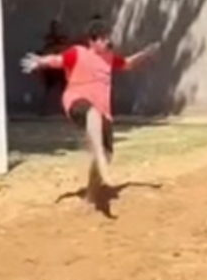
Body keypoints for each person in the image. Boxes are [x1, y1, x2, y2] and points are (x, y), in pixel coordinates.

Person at [21, 18, 159, 200]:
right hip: (76, 101)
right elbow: (57, 60)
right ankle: (99, 156)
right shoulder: (78, 53)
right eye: (101, 39)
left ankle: (91, 194)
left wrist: (146, 54)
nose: (106, 42)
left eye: (107, 37)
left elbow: (128, 63)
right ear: (92, 42)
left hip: (104, 113)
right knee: (92, 115)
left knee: (108, 153)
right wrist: (40, 62)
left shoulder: (108, 58)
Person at [39, 18, 70, 116]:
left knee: (64, 89)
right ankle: (44, 110)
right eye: (54, 27)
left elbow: (65, 49)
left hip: (60, 68)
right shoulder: (49, 40)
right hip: (52, 68)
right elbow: (46, 51)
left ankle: (66, 110)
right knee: (49, 89)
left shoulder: (61, 39)